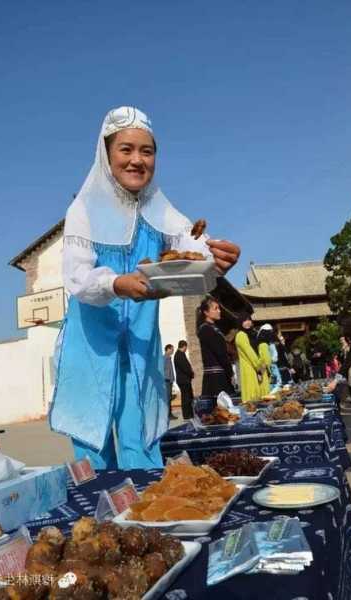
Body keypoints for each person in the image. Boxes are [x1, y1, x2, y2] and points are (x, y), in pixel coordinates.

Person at [49, 106, 240, 470]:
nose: (137, 160)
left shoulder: (160, 211)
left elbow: (193, 246)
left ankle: (149, 523)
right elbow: (76, 277)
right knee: (93, 451)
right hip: (90, 349)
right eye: (126, 149)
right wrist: (117, 283)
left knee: (143, 448)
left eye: (147, 151)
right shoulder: (83, 210)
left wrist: (217, 258)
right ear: (106, 155)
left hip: (140, 348)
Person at [197, 298, 235, 397]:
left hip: (220, 374)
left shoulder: (214, 328)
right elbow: (220, 353)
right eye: (215, 308)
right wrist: (229, 371)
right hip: (215, 377)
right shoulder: (206, 329)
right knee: (220, 410)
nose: (219, 311)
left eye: (219, 308)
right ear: (206, 312)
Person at [235, 313, 263, 402]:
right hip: (249, 368)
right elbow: (249, 352)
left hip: (255, 368)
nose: (247, 322)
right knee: (252, 397)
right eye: (244, 320)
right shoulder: (241, 335)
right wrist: (259, 367)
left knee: (257, 397)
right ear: (240, 323)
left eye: (249, 320)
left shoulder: (252, 334)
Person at [174, 340, 194, 419]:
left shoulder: (180, 354)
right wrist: (191, 373)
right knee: (186, 398)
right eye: (186, 347)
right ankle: (187, 415)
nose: (186, 349)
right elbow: (185, 368)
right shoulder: (179, 355)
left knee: (187, 397)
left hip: (184, 380)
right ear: (184, 346)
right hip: (183, 380)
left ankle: (189, 413)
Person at [256, 328, 272, 396]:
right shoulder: (264, 345)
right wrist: (260, 373)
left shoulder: (260, 344)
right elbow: (266, 360)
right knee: (265, 392)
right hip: (264, 371)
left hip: (261, 369)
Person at [164, 344, 177, 420]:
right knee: (168, 398)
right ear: (168, 349)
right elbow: (163, 369)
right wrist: (168, 378)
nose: (173, 351)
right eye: (172, 349)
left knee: (169, 398)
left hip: (169, 381)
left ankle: (169, 414)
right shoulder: (164, 358)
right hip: (167, 381)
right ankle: (168, 415)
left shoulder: (168, 358)